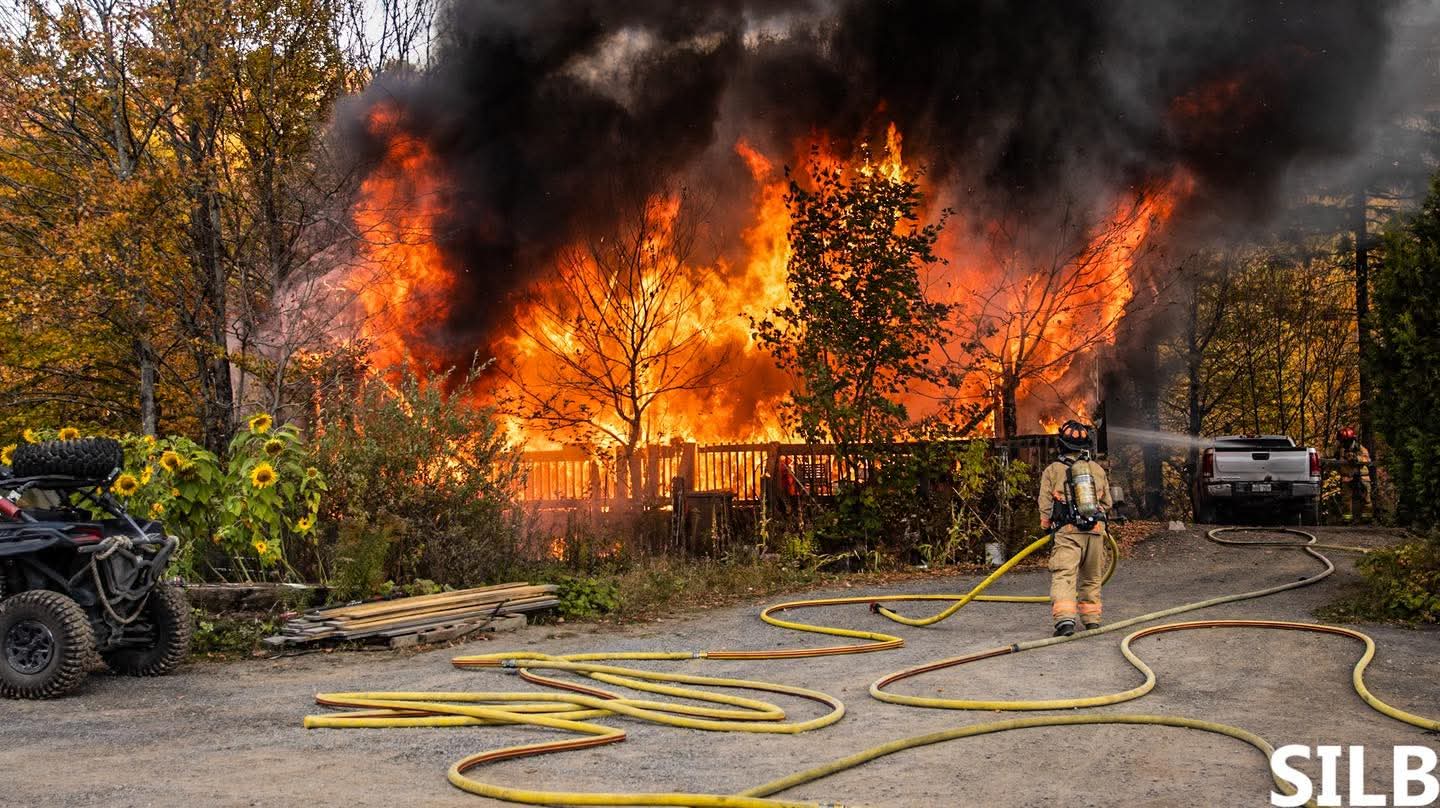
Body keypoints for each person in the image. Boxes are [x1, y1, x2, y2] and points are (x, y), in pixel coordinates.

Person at [1039, 420, 1113, 637]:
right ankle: (1092, 621)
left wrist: (1046, 525)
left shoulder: (1053, 470)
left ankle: (1065, 622)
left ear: (1061, 444)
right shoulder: (1097, 469)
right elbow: (1107, 503)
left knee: (1065, 576)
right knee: (1092, 578)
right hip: (1096, 532)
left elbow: (1045, 503)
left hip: (1068, 532)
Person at [1336, 426, 1371, 523]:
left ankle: (1367, 519)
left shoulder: (1359, 448)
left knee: (1366, 499)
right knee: (1346, 500)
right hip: (1347, 477)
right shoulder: (1340, 449)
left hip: (1362, 476)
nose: (1343, 443)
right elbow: (1329, 454)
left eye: (1344, 441)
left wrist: (1356, 459)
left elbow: (1367, 459)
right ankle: (1347, 519)